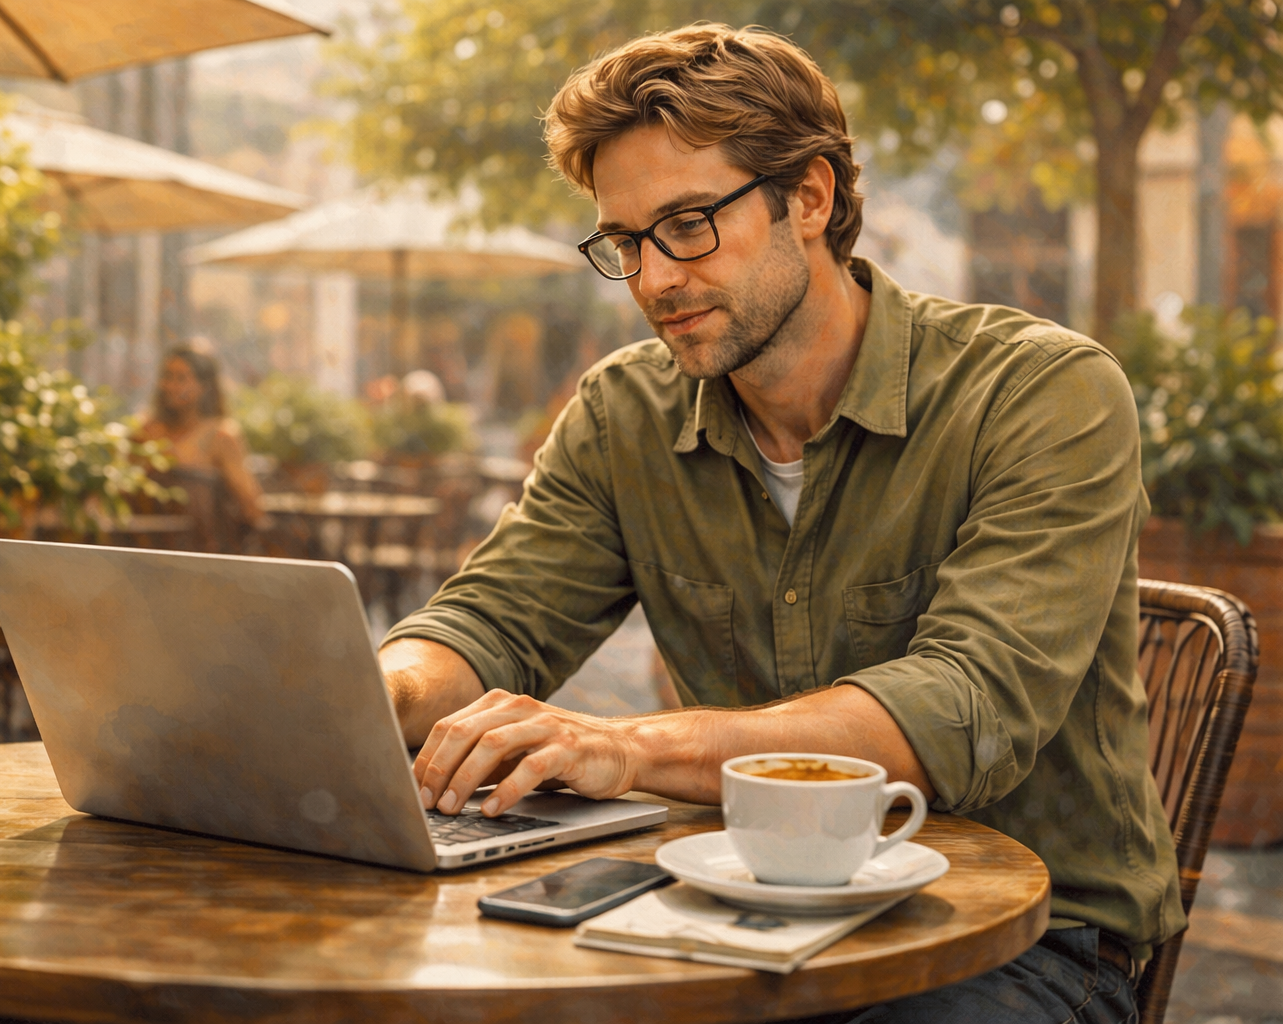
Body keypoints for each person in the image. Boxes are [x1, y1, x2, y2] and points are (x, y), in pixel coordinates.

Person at [377, 24, 1180, 1024]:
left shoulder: (1042, 392)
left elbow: (961, 704)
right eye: (624, 242)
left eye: (687, 223)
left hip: (1024, 937)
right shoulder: (624, 412)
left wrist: (623, 748)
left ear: (809, 197)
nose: (653, 279)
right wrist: (365, 693)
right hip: (732, 908)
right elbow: (493, 620)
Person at [137, 343, 264, 551]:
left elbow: (251, 508)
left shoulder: (221, 435)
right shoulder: (145, 432)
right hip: (147, 552)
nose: (171, 385)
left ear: (205, 386)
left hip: (203, 555)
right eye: (167, 376)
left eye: (181, 378)